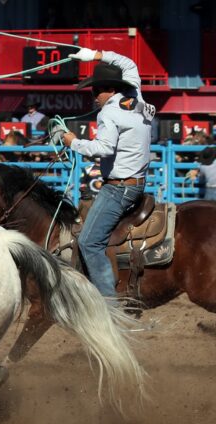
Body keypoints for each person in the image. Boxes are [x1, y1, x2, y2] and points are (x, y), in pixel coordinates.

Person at [61, 47, 155, 300]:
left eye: (96, 91)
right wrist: (95, 55)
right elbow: (129, 64)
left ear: (111, 90)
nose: (94, 97)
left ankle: (108, 305)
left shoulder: (109, 113)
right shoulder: (136, 97)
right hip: (136, 184)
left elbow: (103, 148)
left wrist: (72, 142)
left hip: (118, 188)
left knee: (89, 242)